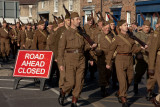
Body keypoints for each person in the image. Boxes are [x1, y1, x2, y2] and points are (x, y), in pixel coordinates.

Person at [57, 12, 97, 107]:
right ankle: (63, 92)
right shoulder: (65, 33)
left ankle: (74, 101)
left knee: (79, 82)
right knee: (70, 83)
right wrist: (60, 63)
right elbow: (60, 49)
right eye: (78, 19)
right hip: (69, 59)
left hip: (81, 59)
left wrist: (92, 46)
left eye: (79, 19)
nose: (79, 21)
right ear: (72, 21)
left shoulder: (81, 32)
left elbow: (85, 46)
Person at [106, 20, 146, 107]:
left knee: (130, 78)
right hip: (120, 59)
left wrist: (141, 48)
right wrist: (108, 62)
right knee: (122, 80)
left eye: (127, 25)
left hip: (130, 59)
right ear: (120, 27)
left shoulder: (131, 38)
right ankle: (123, 97)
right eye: (124, 25)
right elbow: (111, 51)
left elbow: (134, 49)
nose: (126, 26)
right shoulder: (116, 38)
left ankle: (120, 91)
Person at [134, 20, 153, 95]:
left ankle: (149, 91)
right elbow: (135, 46)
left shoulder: (152, 35)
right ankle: (135, 85)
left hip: (150, 57)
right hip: (141, 57)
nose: (147, 29)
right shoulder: (138, 35)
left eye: (148, 27)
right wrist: (138, 54)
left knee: (150, 75)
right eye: (146, 27)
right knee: (139, 73)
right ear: (142, 27)